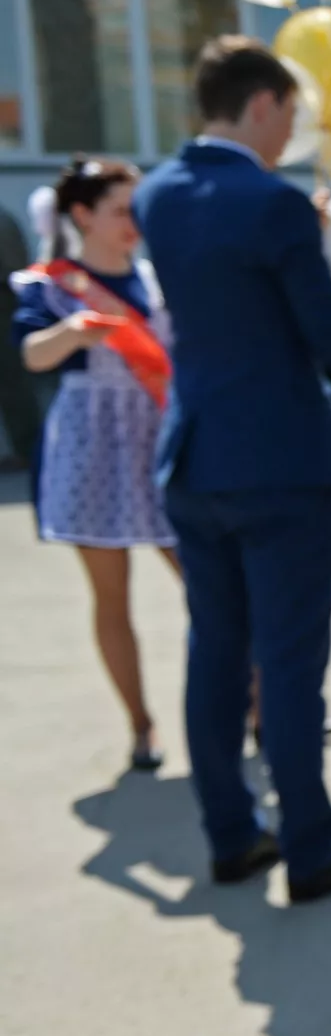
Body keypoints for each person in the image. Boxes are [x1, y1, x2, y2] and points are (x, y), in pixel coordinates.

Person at [133, 36, 331, 900]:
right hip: (278, 462)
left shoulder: (156, 192)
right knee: (290, 663)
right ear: (261, 103)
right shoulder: (275, 204)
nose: (289, 134)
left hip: (194, 453)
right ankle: (308, 847)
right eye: (289, 115)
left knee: (214, 653)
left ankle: (230, 835)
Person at [10, 157, 179, 772]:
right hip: (92, 447)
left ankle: (253, 703)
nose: (134, 222)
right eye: (120, 211)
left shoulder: (157, 280)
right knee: (112, 597)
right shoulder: (53, 284)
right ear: (82, 215)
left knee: (211, 585)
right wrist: (72, 333)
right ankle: (141, 724)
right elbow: (31, 353)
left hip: (159, 438)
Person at [0, 206, 41, 472]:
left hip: (5, 308)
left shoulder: (2, 221)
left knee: (13, 382)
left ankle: (27, 449)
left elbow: (12, 271)